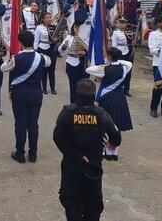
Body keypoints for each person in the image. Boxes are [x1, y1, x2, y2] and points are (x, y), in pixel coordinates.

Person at [52, 79, 122, 221]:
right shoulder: (101, 114)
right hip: (93, 167)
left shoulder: (66, 113)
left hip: (72, 166)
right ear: (93, 95)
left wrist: (75, 155)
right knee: (93, 205)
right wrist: (111, 143)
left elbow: (57, 138)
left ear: (77, 94)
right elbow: (116, 137)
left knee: (72, 205)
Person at [2, 30, 45, 163]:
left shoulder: (16, 58)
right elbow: (48, 63)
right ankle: (33, 154)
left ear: (20, 43)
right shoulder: (41, 57)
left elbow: (3, 68)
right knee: (33, 124)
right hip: (36, 94)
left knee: (20, 124)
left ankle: (20, 153)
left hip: (20, 95)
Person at [86, 47, 133, 161]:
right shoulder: (125, 68)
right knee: (116, 124)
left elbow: (89, 70)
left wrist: (105, 64)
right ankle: (114, 151)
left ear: (109, 57)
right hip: (119, 99)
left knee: (105, 124)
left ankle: (105, 149)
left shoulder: (104, 69)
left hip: (106, 99)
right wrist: (115, 61)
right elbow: (128, 62)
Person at [60, 23, 89, 105]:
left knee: (83, 87)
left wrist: (85, 52)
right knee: (73, 87)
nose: (77, 29)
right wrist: (64, 47)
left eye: (79, 27)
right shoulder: (69, 37)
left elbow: (89, 50)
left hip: (82, 64)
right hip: (71, 64)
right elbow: (60, 51)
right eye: (75, 27)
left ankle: (83, 105)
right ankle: (73, 105)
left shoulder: (85, 38)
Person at [34, 12, 57, 95]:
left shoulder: (54, 27)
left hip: (52, 48)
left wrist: (56, 40)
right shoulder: (39, 28)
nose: (49, 19)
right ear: (43, 19)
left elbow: (58, 38)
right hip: (42, 48)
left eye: (50, 17)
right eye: (47, 18)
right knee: (43, 69)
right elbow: (36, 39)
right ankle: (44, 88)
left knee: (52, 69)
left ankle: (53, 87)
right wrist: (35, 50)